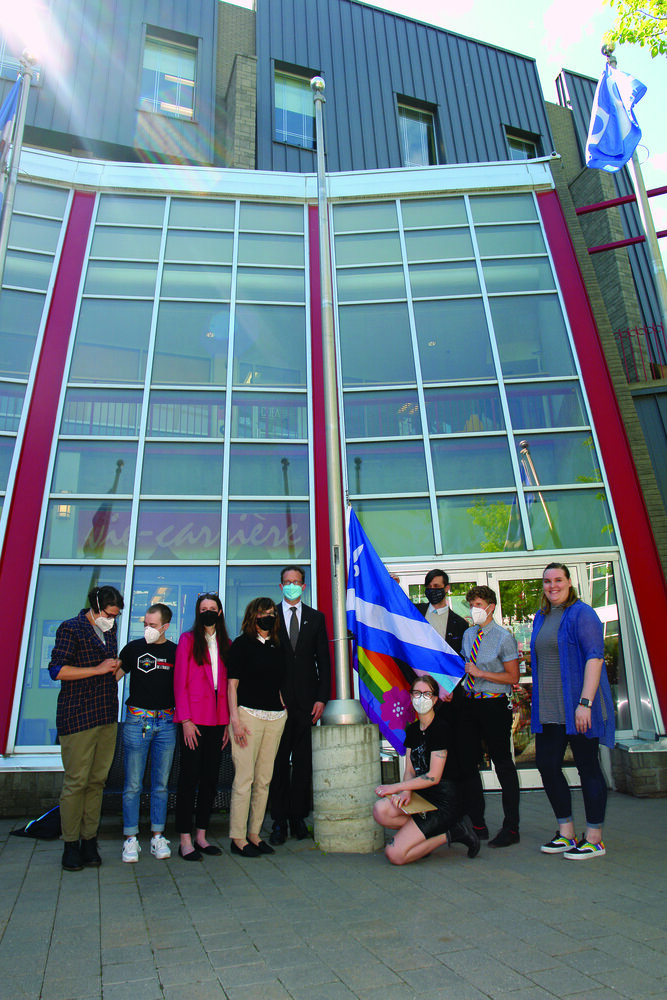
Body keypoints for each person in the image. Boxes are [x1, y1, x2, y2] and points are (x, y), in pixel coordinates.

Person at [531, 562, 614, 860]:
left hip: (579, 709)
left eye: (558, 580)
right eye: (547, 581)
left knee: (588, 768)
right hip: (550, 711)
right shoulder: (542, 618)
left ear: (569, 582)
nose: (552, 586)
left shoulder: (582, 613)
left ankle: (594, 839)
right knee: (547, 766)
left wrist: (585, 703)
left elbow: (595, 658)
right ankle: (566, 833)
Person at [48, 585, 124, 872]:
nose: (112, 620)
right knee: (76, 782)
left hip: (105, 714)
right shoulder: (71, 628)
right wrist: (98, 669)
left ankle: (89, 840)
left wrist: (120, 667)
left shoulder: (111, 632)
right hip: (78, 716)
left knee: (97, 782)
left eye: (115, 616)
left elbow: (109, 671)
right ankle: (70, 844)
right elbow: (57, 670)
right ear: (95, 606)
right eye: (108, 614)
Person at [373, 675, 479, 864]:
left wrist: (394, 788)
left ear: (435, 699)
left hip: (443, 802)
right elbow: (410, 771)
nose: (421, 698)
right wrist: (405, 790)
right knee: (380, 810)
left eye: (426, 694)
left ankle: (453, 832)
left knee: (394, 855)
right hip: (422, 797)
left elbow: (433, 777)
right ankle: (419, 838)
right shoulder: (412, 730)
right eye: (417, 693)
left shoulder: (441, 728)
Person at [269, 565, 331, 845]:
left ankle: (298, 819)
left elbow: (324, 662)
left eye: (296, 581)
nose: (291, 585)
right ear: (280, 586)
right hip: (277, 704)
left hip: (308, 704)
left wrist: (322, 698)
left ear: (303, 586)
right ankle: (279, 821)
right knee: (279, 764)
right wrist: (271, 693)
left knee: (303, 764)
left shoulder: (316, 618)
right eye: (287, 581)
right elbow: (263, 659)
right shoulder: (269, 617)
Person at [458, 585, 521, 848]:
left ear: (491, 607)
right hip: (470, 704)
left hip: (494, 705)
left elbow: (513, 677)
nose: (475, 610)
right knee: (467, 764)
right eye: (471, 604)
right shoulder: (468, 634)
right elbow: (464, 666)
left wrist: (481, 673)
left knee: (502, 764)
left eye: (479, 604)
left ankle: (511, 827)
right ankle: (478, 823)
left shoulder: (503, 637)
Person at [116, 603, 177, 863]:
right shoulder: (133, 648)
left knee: (161, 784)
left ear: (165, 626)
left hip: (166, 722)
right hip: (136, 721)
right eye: (145, 624)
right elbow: (114, 676)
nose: (147, 629)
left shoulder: (176, 652)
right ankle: (130, 839)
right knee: (133, 784)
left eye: (152, 625)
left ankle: (157, 835)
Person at [228, 598, 287, 858]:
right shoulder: (241, 644)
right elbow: (232, 686)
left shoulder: (278, 645)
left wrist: (284, 706)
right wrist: (235, 720)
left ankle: (254, 834)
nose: (268, 616)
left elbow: (281, 680)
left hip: (275, 717)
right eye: (263, 613)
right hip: (247, 717)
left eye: (272, 613)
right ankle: (237, 837)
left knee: (264, 780)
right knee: (244, 779)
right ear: (253, 616)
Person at [173, 593, 230, 861]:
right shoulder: (187, 640)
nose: (208, 612)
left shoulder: (227, 644)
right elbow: (179, 682)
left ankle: (201, 836)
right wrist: (185, 719)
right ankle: (184, 839)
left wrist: (229, 723)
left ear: (219, 612)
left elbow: (230, 687)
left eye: (212, 608)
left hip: (218, 720)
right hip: (193, 721)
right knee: (188, 780)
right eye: (203, 608)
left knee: (209, 780)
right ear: (197, 613)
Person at [416, 568, 469, 655]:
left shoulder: (460, 624)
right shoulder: (415, 612)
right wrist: (393, 585)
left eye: (436, 586)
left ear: (447, 588)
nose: (432, 590)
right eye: (429, 587)